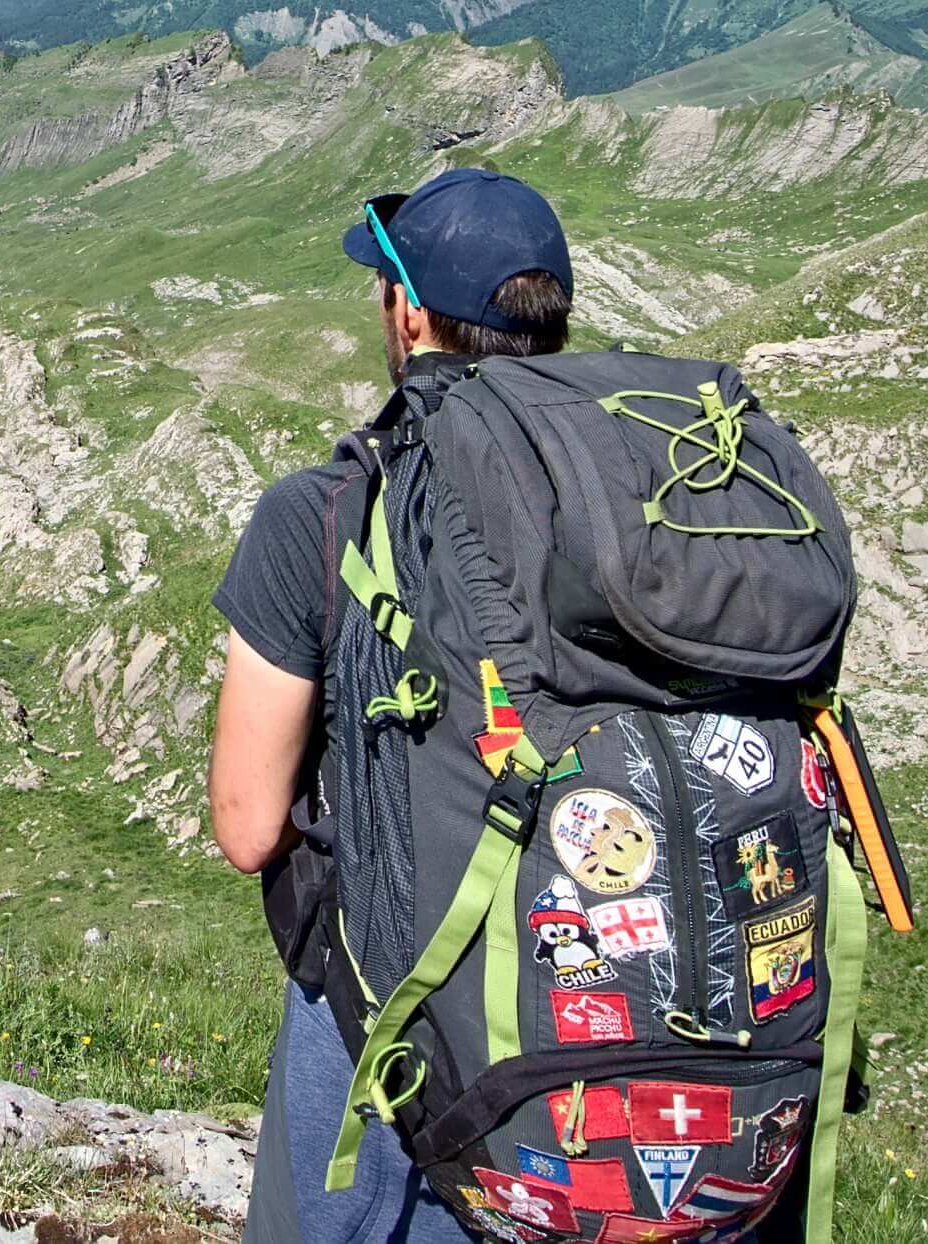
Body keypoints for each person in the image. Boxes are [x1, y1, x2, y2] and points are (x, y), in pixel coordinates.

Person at [203, 167, 578, 1244]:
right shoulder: (631, 508)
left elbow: (245, 825)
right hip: (624, 1009)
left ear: (407, 311)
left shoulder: (318, 514)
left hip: (412, 1036)